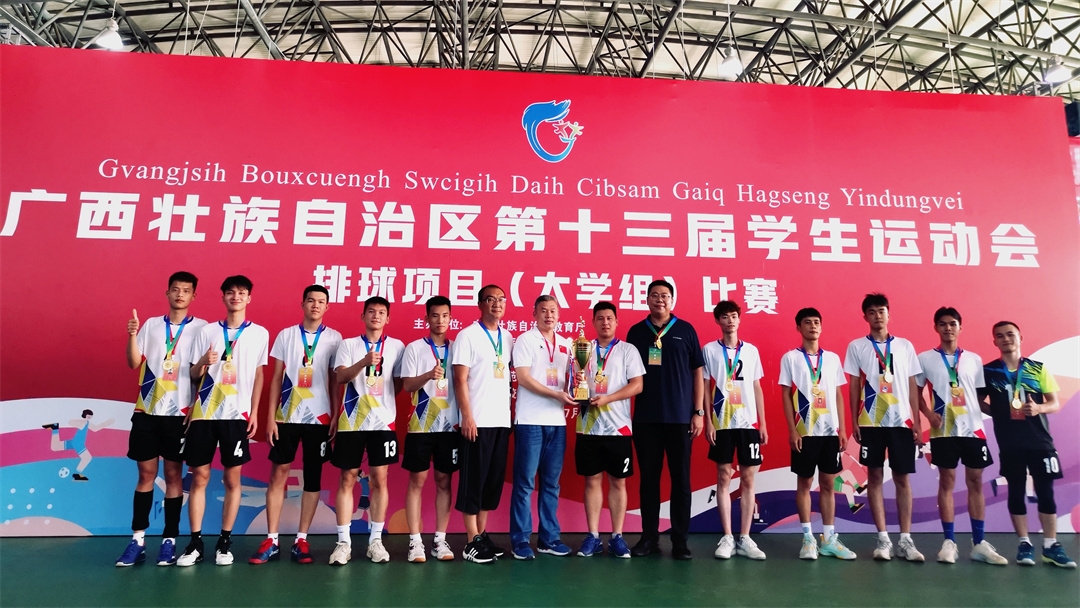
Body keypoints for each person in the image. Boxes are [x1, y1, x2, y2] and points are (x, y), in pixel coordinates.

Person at [114, 271, 205, 567]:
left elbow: (200, 374)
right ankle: (138, 540)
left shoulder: (202, 329)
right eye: (175, 289)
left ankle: (169, 541)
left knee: (175, 476)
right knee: (146, 475)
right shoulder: (151, 325)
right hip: (147, 412)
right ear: (167, 293)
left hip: (179, 416)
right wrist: (131, 335)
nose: (180, 294)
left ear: (193, 296)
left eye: (186, 290)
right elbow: (133, 362)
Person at [178, 275, 269, 567]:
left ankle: (224, 542)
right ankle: (195, 543)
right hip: (205, 414)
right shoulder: (206, 331)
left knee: (232, 478)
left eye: (241, 293)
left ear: (249, 298)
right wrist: (203, 361)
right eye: (230, 292)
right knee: (199, 477)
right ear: (223, 297)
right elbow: (193, 375)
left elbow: (259, 374)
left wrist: (254, 412)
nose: (236, 297)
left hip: (236, 416)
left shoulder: (260, 333)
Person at [249, 285, 342, 565]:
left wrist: (335, 415)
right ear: (302, 304)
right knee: (278, 474)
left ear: (327, 307)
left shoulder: (335, 338)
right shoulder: (286, 335)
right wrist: (270, 418)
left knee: (313, 477)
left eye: (321, 301)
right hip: (286, 417)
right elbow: (276, 378)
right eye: (311, 300)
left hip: (320, 419)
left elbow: (334, 381)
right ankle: (272, 539)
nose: (315, 305)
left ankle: (302, 539)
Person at [915, 307, 1007, 566]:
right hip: (943, 430)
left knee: (975, 482)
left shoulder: (974, 360)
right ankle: (949, 542)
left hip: (973, 430)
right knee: (947, 481)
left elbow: (979, 398)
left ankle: (979, 543)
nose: (948, 328)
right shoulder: (925, 359)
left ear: (960, 327)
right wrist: (928, 414)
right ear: (936, 327)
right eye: (943, 324)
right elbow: (916, 394)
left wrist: (1004, 413)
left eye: (953, 323)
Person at [979, 321, 1075, 568]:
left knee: (1045, 492)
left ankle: (1050, 545)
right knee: (1016, 491)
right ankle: (1024, 544)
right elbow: (977, 401)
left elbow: (1054, 403)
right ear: (994, 341)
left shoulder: (1037, 369)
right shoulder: (988, 371)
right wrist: (998, 413)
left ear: (1020, 337)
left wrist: (1039, 408)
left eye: (1010, 334)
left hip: (1040, 441)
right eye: (1000, 336)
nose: (1006, 339)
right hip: (1010, 443)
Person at [625, 279, 704, 560]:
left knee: (681, 481)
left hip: (680, 419)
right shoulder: (636, 332)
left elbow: (697, 371)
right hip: (646, 419)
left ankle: (680, 541)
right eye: (655, 295)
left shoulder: (686, 330)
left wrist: (698, 412)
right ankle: (649, 538)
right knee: (649, 481)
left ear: (672, 300)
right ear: (647, 299)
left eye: (665, 295)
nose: (660, 299)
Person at [843, 293, 924, 562]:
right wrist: (854, 420)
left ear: (889, 314)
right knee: (874, 478)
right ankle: (883, 539)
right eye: (872, 312)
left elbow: (912, 384)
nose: (877, 316)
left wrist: (917, 420)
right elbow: (854, 385)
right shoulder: (856, 346)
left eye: (881, 311)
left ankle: (906, 539)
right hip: (871, 422)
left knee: (902, 479)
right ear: (865, 316)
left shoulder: (904, 346)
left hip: (901, 421)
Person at [329, 296, 404, 565]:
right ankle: (343, 542)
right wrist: (363, 362)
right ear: (363, 316)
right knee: (347, 479)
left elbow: (398, 383)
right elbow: (340, 377)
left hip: (383, 423)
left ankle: (375, 541)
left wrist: (383, 404)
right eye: (371, 311)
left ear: (388, 318)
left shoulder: (397, 346)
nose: (376, 316)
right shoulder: (348, 345)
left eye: (381, 312)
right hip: (352, 421)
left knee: (379, 479)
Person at [779, 307, 856, 561]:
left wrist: (842, 428)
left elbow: (838, 394)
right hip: (804, 432)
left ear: (821, 327)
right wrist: (792, 430)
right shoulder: (790, 358)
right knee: (804, 484)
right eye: (807, 322)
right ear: (798, 328)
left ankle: (829, 539)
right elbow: (785, 395)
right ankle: (808, 539)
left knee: (828, 484)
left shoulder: (832, 359)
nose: (813, 326)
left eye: (816, 322)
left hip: (830, 432)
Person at [574, 302, 644, 558]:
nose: (605, 322)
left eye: (609, 318)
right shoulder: (582, 348)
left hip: (619, 428)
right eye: (600, 318)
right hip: (588, 427)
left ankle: (617, 537)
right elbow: (572, 384)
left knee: (618, 482)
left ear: (616, 322)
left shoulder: (628, 350)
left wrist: (608, 398)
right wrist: (577, 383)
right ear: (593, 322)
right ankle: (593, 536)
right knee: (591, 481)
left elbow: (637, 385)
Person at [451, 285, 515, 564]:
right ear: (480, 304)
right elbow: (459, 379)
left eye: (501, 299)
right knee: (473, 482)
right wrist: (466, 416)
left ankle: (481, 534)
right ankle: (470, 541)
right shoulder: (467, 335)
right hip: (476, 422)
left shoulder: (508, 337)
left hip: (501, 420)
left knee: (491, 482)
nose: (496, 304)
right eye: (490, 299)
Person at [509, 295, 576, 560]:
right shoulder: (526, 340)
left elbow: (571, 378)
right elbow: (523, 378)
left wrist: (576, 386)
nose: (549, 315)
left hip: (557, 422)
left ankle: (549, 538)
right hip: (530, 421)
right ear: (534, 313)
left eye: (553, 311)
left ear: (559, 315)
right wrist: (555, 394)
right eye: (544, 311)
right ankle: (520, 540)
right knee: (525, 483)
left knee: (551, 483)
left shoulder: (567, 344)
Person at [702, 301, 767, 561]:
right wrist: (708, 420)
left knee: (748, 479)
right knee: (723, 477)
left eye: (733, 316)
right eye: (725, 317)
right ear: (717, 321)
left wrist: (762, 423)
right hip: (722, 423)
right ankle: (728, 536)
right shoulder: (709, 350)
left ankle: (745, 537)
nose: (730, 321)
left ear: (739, 319)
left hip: (748, 423)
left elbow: (757, 387)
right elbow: (705, 388)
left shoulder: (751, 351)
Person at [399, 296, 459, 563]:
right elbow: (407, 386)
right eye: (435, 315)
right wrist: (428, 375)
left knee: (444, 481)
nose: (440, 320)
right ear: (427, 318)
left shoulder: (458, 348)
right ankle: (415, 541)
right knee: (418, 481)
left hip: (450, 426)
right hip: (420, 426)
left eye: (445, 316)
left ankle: (439, 539)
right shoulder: (414, 348)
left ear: (450, 319)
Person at [43, 409, 114, 482]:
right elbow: (70, 422)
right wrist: (79, 423)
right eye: (88, 416)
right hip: (78, 444)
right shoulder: (83, 422)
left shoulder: (87, 423)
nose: (89, 418)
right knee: (87, 458)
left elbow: (95, 428)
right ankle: (76, 475)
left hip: (75, 442)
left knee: (55, 447)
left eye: (90, 417)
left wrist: (107, 423)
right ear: (85, 415)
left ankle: (55, 428)